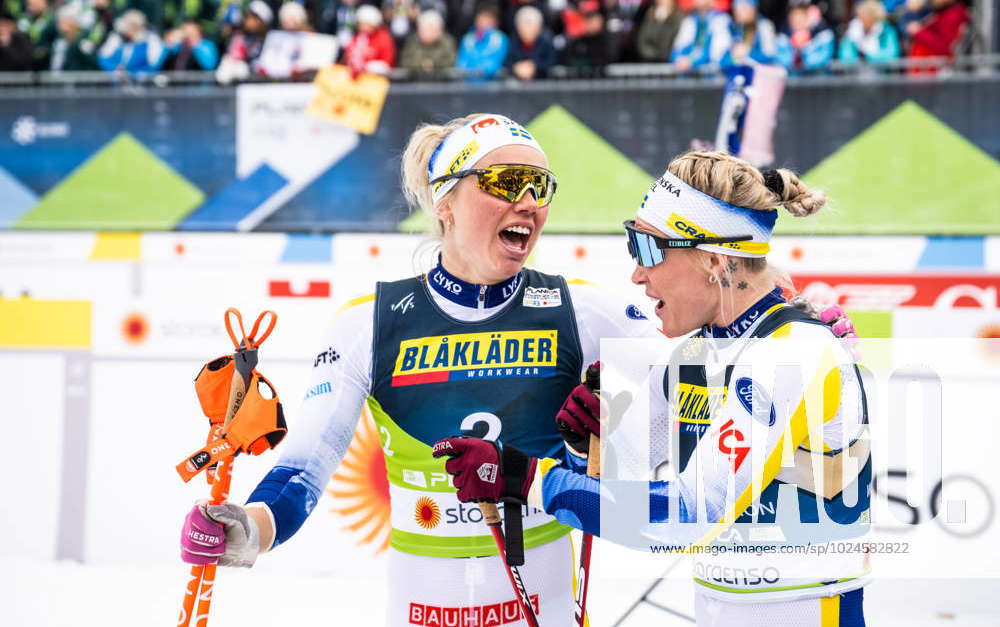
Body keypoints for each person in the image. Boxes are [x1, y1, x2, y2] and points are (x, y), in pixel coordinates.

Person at [178, 113, 658, 626]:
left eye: (540, 186)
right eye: (505, 182)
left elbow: (697, 413)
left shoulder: (582, 312)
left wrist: (620, 433)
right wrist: (247, 529)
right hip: (420, 610)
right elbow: (303, 469)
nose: (528, 202)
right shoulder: (369, 324)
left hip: (545, 609)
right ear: (443, 201)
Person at [434, 150, 871, 627]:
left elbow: (685, 515)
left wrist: (524, 479)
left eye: (646, 249)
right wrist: (586, 447)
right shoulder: (699, 353)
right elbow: (628, 486)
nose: (636, 274)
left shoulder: (793, 354)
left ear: (713, 259)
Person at [214, 0, 271, 83]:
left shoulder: (271, 39)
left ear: (261, 21)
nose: (248, 21)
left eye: (253, 17)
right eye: (247, 17)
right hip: (240, 88)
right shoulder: (239, 38)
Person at [97, 8, 166, 74]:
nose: (128, 30)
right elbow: (103, 58)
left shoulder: (150, 39)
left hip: (141, 83)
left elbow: (154, 65)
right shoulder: (117, 37)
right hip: (115, 82)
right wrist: (115, 70)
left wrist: (133, 74)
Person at [774, 0, 834, 73]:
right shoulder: (783, 37)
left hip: (818, 79)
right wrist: (795, 52)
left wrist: (803, 52)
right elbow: (781, 59)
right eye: (794, 17)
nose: (798, 21)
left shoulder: (823, 35)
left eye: (801, 17)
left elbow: (823, 58)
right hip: (791, 81)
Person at [670, 0, 731, 71]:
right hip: (689, 74)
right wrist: (679, 59)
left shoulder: (721, 19)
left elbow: (718, 53)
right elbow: (679, 47)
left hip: (712, 75)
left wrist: (693, 61)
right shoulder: (690, 20)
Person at [907, 0, 968, 67]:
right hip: (926, 70)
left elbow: (945, 49)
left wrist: (919, 32)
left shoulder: (953, 15)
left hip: (934, 71)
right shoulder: (944, 11)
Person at [455, 2, 508, 80]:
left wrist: (480, 71)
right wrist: (472, 71)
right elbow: (461, 63)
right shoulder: (467, 39)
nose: (484, 22)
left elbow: (496, 64)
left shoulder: (500, 39)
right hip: (467, 86)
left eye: (488, 18)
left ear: (495, 21)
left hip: (492, 87)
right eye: (482, 17)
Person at [838, 0, 900, 66]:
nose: (864, 19)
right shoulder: (853, 30)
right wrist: (857, 58)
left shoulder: (885, 31)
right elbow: (845, 54)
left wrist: (868, 56)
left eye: (867, 16)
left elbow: (892, 53)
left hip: (881, 72)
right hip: (856, 73)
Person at [562, 0, 615, 76]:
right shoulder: (578, 41)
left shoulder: (606, 40)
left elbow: (608, 59)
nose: (589, 22)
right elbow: (568, 61)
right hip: (580, 81)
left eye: (592, 18)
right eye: (586, 19)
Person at [719, 0, 777, 68]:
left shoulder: (764, 26)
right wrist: (735, 59)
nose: (740, 12)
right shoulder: (731, 27)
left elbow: (770, 56)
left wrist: (748, 53)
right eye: (737, 8)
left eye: (744, 8)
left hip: (759, 75)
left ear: (754, 9)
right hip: (737, 74)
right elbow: (722, 60)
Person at [399, 9, 456, 77]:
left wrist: (434, 64)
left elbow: (451, 61)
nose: (428, 32)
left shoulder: (447, 42)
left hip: (442, 81)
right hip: (415, 81)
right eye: (424, 28)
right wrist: (422, 65)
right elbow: (405, 61)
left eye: (431, 28)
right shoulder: (412, 42)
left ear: (439, 30)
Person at [505, 4, 556, 80]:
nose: (527, 30)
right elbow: (507, 62)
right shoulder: (513, 41)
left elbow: (552, 62)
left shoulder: (547, 42)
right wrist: (516, 67)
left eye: (530, 25)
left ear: (539, 27)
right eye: (524, 25)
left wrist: (534, 67)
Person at [342, 3, 396, 74]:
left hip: (375, 76)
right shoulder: (357, 37)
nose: (362, 27)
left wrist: (370, 66)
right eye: (360, 24)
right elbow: (347, 55)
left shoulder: (383, 38)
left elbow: (387, 61)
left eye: (365, 24)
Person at [50, 3, 98, 70]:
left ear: (74, 24)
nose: (61, 27)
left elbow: (93, 64)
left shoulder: (83, 42)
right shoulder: (59, 42)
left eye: (65, 22)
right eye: (60, 23)